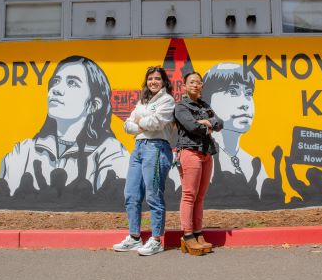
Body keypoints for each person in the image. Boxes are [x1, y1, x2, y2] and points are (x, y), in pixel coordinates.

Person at [0, 56, 129, 199]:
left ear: (93, 105)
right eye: (56, 81)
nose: (56, 90)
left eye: (72, 83)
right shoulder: (22, 151)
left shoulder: (111, 153)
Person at [113, 66, 175, 256]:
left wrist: (138, 122)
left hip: (156, 148)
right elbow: (126, 125)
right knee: (131, 194)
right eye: (150, 79)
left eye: (157, 78)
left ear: (164, 81)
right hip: (139, 148)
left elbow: (156, 124)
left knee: (153, 195)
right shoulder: (142, 101)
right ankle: (134, 237)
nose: (153, 82)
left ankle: (156, 239)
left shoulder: (167, 100)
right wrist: (141, 122)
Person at [202, 63, 269, 201]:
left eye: (249, 93)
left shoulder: (255, 165)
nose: (245, 103)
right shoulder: (196, 156)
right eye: (233, 91)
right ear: (208, 101)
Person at [174, 71, 223, 255]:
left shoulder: (205, 105)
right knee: (189, 195)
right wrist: (207, 124)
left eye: (198, 82)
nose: (195, 85)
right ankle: (187, 236)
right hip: (189, 152)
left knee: (200, 196)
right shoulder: (180, 107)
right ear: (185, 86)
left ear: (202, 86)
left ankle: (197, 232)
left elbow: (220, 123)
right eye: (191, 82)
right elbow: (192, 127)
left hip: (206, 153)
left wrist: (206, 121)